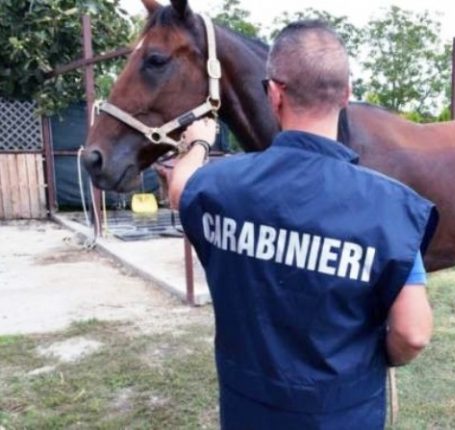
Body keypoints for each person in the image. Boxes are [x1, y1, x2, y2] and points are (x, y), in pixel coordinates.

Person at [168, 21, 438, 430]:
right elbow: (413, 333)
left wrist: (199, 143)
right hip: (344, 416)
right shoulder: (390, 208)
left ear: (274, 94)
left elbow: (180, 190)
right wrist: (379, 357)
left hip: (248, 412)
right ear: (346, 95)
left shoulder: (221, 185)